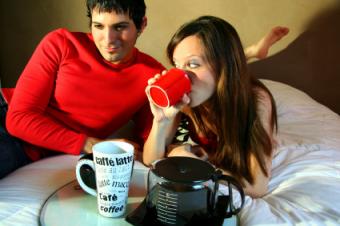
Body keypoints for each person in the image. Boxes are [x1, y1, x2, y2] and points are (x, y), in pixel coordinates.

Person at [0, 0, 164, 179]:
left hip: (44, 153)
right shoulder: (62, 43)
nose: (108, 39)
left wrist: (179, 148)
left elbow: (152, 141)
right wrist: (93, 145)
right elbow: (18, 119)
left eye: (120, 27)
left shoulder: (153, 76)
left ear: (142, 25)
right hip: (6, 119)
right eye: (98, 26)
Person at [143, 16, 280, 198]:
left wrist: (195, 166)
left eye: (193, 64)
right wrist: (160, 121)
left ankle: (252, 52)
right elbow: (150, 160)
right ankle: (250, 52)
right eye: (177, 64)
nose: (182, 75)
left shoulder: (257, 102)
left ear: (223, 67)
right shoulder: (186, 100)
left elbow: (256, 187)